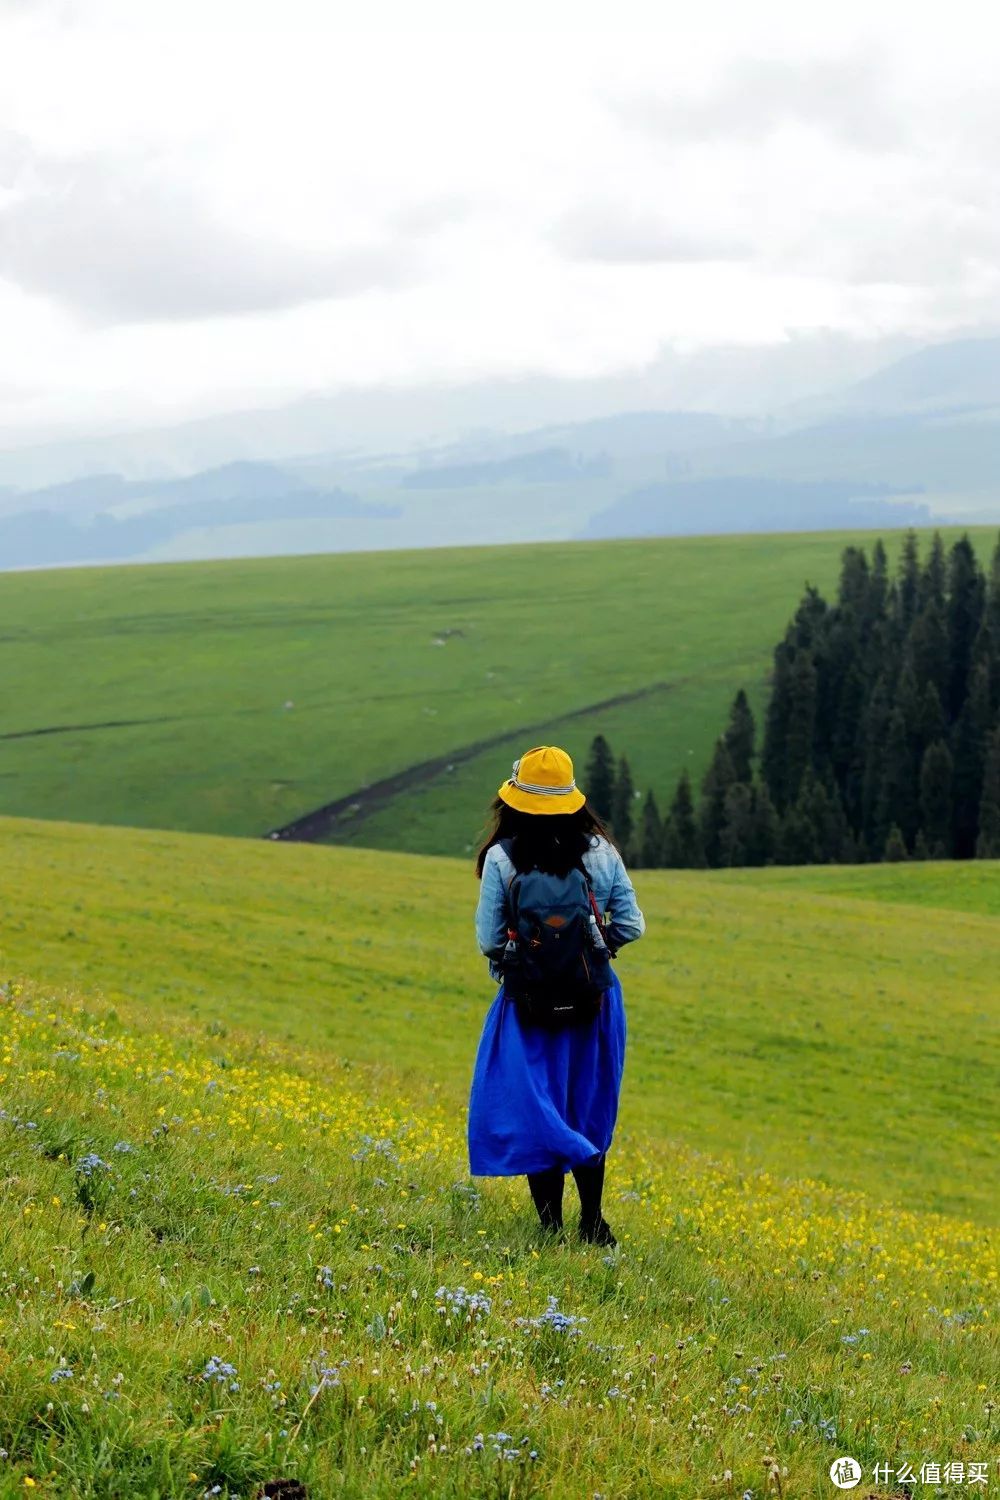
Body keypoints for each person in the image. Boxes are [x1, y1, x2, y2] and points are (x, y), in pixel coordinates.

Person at [467, 744, 645, 1244]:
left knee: (536, 1106)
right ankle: (593, 1223)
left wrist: (531, 956)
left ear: (515, 801)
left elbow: (487, 939)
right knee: (586, 1106)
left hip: (527, 1006)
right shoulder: (601, 853)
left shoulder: (503, 858)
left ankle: (551, 1228)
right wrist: (590, 948)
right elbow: (632, 924)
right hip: (594, 1001)